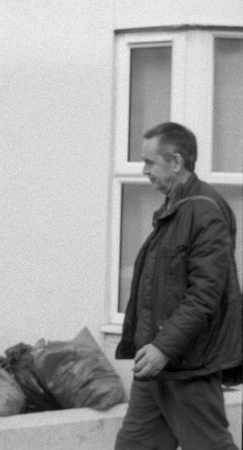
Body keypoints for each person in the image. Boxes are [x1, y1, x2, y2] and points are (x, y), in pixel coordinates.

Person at [115, 122, 242, 450]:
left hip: (187, 367)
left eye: (149, 162)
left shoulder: (205, 212)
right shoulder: (176, 209)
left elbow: (205, 295)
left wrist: (164, 348)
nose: (144, 171)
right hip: (156, 366)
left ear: (176, 161)